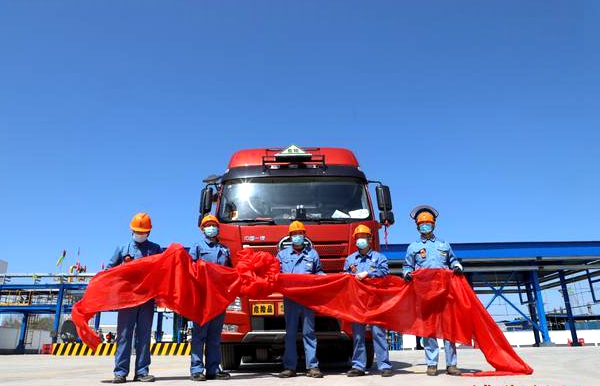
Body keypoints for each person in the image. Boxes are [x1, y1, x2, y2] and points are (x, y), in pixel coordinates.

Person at [403, 205, 463, 376]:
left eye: (428, 223)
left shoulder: (444, 245)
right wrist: (407, 274)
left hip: (445, 294)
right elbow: (407, 266)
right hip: (425, 294)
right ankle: (432, 364)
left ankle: (451, 365)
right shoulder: (413, 247)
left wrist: (458, 267)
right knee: (429, 330)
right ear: (417, 227)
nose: (425, 226)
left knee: (449, 329)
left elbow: (453, 261)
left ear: (434, 225)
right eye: (422, 224)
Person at [106, 212, 162, 383]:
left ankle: (142, 372)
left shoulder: (155, 249)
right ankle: (120, 372)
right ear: (132, 230)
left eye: (142, 231)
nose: (139, 234)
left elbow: (162, 270)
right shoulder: (123, 249)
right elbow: (109, 269)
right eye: (137, 231)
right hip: (127, 299)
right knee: (124, 335)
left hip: (146, 299)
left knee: (144, 335)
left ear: (148, 232)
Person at [343, 224, 393, 377]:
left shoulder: (379, 258)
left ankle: (384, 365)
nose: (361, 240)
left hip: (375, 301)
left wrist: (369, 273)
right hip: (357, 301)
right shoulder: (350, 260)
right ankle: (359, 366)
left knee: (378, 333)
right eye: (358, 238)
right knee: (358, 335)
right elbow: (345, 277)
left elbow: (385, 272)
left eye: (364, 237)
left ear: (370, 239)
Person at [277, 221, 324, 378]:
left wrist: (324, 278)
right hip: (290, 298)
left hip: (308, 298)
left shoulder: (312, 254)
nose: (297, 236)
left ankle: (313, 367)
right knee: (290, 333)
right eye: (294, 234)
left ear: (305, 235)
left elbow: (318, 272)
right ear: (290, 237)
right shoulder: (282, 255)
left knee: (308, 332)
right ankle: (290, 367)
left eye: (300, 234)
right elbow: (274, 273)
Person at [189, 214, 232, 381]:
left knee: (215, 335)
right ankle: (197, 369)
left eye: (214, 225)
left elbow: (229, 272)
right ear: (203, 229)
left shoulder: (224, 250)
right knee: (199, 335)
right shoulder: (197, 247)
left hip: (219, 298)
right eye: (208, 225)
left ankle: (213, 369)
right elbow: (190, 270)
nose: (211, 228)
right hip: (202, 297)